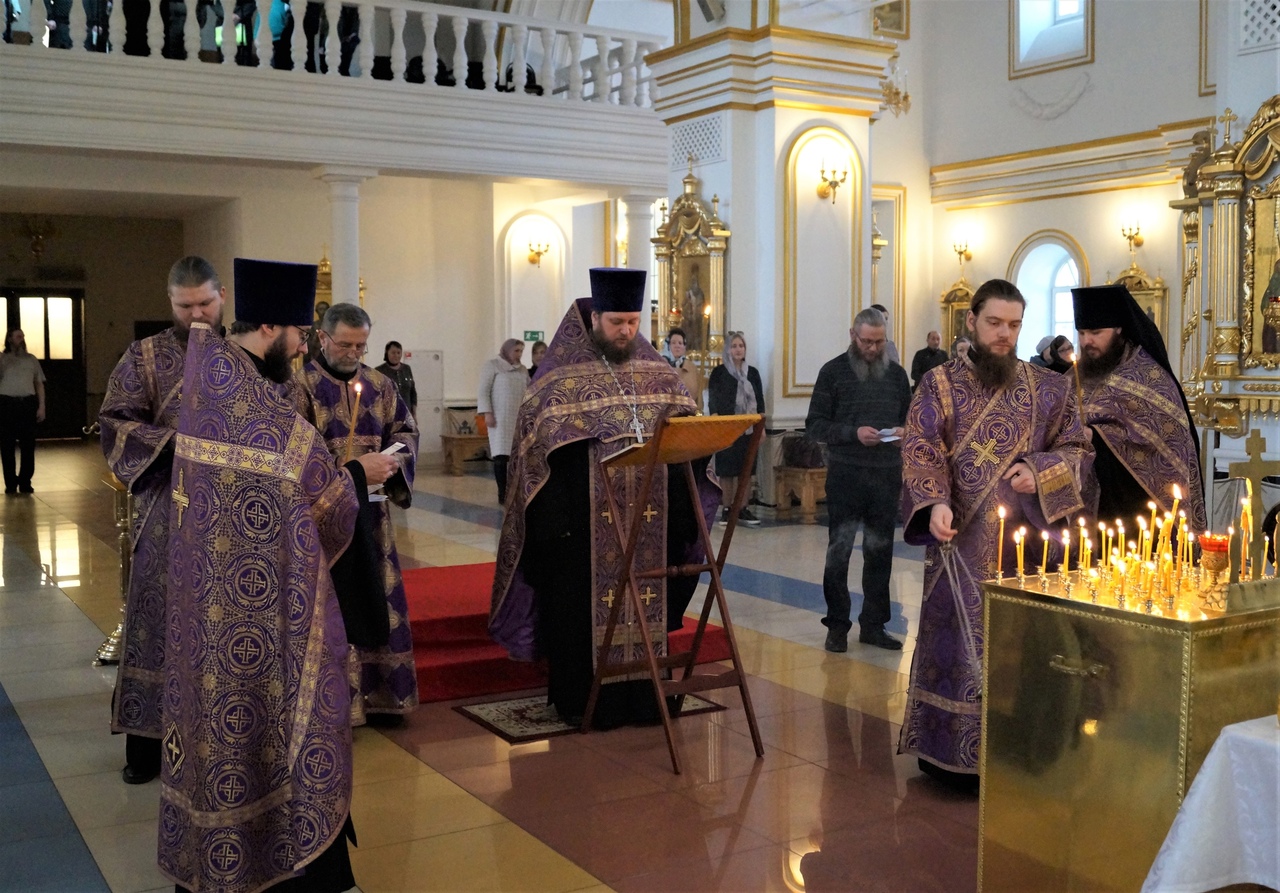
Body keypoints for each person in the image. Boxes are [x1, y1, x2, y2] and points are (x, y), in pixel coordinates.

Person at [159, 258, 399, 893]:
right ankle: (285, 863)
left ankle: (219, 859)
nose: (302, 348)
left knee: (227, 732)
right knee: (267, 728)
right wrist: (360, 474)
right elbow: (318, 500)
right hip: (262, 611)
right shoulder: (258, 411)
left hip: (214, 601)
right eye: (298, 334)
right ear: (272, 328)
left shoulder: (212, 384)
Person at [489, 267, 716, 728]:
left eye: (633, 322)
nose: (626, 331)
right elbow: (536, 458)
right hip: (579, 533)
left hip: (648, 526)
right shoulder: (556, 381)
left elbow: (687, 441)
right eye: (616, 323)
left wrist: (683, 518)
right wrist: (557, 526)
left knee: (646, 606)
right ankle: (583, 702)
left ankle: (646, 696)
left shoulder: (660, 377)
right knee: (578, 615)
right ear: (594, 319)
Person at [900, 278, 1093, 787]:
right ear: (971, 321)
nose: (1004, 335)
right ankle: (949, 754)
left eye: (1014, 325)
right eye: (994, 323)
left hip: (1025, 551)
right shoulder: (937, 385)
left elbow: (1078, 449)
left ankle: (1019, 750)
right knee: (959, 646)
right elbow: (921, 447)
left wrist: (1041, 469)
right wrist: (935, 500)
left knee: (1023, 649)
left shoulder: (1050, 388)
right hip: (959, 544)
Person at [99, 255, 225, 786]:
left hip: (230, 520)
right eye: (185, 305)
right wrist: (177, 446)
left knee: (221, 631)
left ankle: (220, 746)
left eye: (205, 303)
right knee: (156, 627)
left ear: (223, 298)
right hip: (165, 517)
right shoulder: (143, 356)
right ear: (169, 303)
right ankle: (145, 751)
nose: (196, 314)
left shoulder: (242, 355)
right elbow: (115, 422)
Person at [293, 302, 420, 726]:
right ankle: (335, 707)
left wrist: (391, 464)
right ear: (322, 338)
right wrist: (344, 474)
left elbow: (405, 431)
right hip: (322, 521)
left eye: (361, 345)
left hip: (374, 518)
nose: (352, 353)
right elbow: (293, 456)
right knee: (335, 604)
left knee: (378, 597)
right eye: (344, 344)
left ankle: (384, 696)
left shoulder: (382, 385)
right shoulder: (300, 387)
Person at [806, 307, 912, 653]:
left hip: (885, 476)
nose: (873, 348)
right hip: (846, 476)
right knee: (839, 552)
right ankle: (837, 626)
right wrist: (853, 433)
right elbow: (815, 425)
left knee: (880, 553)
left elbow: (911, 422)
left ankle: (874, 625)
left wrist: (903, 431)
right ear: (854, 336)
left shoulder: (897, 376)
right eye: (867, 341)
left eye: (879, 342)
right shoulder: (833, 373)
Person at [1073, 283, 1208, 532]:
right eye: (1081, 333)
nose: (1086, 341)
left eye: (1095, 332)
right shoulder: (1077, 375)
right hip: (1086, 505)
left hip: (1138, 508)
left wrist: (1097, 436)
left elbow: (1168, 443)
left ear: (1118, 328)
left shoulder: (1148, 375)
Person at [708, 330, 765, 526]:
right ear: (728, 350)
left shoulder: (753, 373)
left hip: (749, 428)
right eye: (734, 346)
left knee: (746, 470)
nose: (738, 349)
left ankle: (743, 508)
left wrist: (761, 427)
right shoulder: (719, 373)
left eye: (741, 346)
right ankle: (727, 508)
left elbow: (760, 401)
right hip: (727, 428)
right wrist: (715, 420)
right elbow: (713, 399)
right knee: (727, 471)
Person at [478, 339, 526, 503]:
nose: (519, 354)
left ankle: (515, 491)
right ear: (507, 350)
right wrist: (487, 413)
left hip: (517, 418)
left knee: (517, 457)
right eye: (516, 350)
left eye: (521, 351)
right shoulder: (492, 365)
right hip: (499, 419)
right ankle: (502, 492)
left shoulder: (523, 370)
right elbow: (483, 391)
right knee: (500, 456)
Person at [0, 328, 46, 495]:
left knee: (28, 445)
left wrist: (42, 406)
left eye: (23, 336)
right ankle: (10, 483)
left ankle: (25, 481)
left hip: (27, 404)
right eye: (18, 336)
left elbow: (39, 384)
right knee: (7, 445)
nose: (21, 339)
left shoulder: (32, 359)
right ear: (10, 339)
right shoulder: (2, 358)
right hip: (6, 404)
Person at [375, 340, 418, 419]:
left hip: (406, 416)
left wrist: (414, 414)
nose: (396, 355)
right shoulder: (379, 371)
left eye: (398, 353)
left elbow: (412, 392)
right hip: (387, 417)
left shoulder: (406, 369)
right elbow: (375, 396)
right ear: (387, 353)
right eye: (393, 353)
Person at [666, 326, 705, 408]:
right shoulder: (661, 366)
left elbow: (698, 395)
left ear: (684, 347)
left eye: (680, 343)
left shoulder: (692, 368)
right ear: (668, 346)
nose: (677, 346)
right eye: (673, 343)